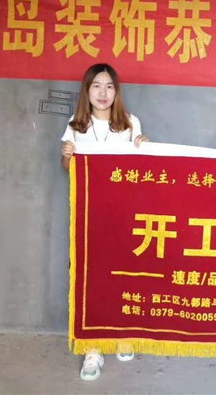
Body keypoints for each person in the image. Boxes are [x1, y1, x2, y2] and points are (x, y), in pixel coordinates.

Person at [60, 63, 149, 381]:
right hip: (88, 215)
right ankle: (93, 348)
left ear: (116, 91)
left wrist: (144, 147)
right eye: (96, 86)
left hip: (124, 214)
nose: (103, 92)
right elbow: (67, 167)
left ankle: (122, 334)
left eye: (109, 86)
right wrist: (67, 155)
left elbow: (143, 168)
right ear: (87, 90)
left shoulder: (130, 123)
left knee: (123, 275)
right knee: (91, 280)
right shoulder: (76, 126)